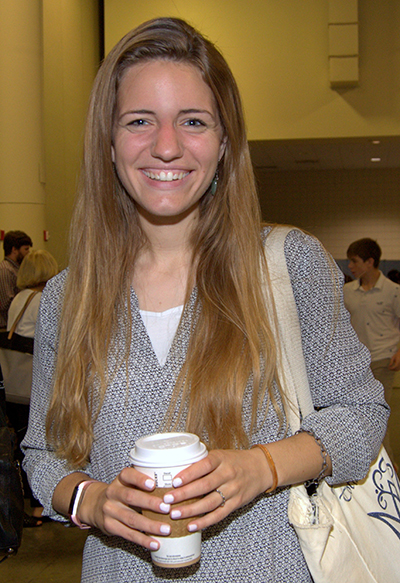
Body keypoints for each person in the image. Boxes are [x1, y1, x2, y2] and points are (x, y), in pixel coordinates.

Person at [22, 18, 388, 583]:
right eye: (139, 121)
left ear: (224, 142)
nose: (166, 146)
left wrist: (262, 467)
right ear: (109, 142)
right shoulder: (69, 296)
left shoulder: (288, 265)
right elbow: (44, 455)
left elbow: (362, 417)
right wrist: (88, 501)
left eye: (193, 121)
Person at [5, 250, 58, 527]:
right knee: (42, 440)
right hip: (32, 385)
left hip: (15, 383)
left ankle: (26, 498)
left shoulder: (19, 299)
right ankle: (40, 504)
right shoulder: (42, 300)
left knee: (21, 442)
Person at [344, 237, 400, 467]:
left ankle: (390, 470)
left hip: (384, 360)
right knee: (362, 417)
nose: (350, 266)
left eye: (354, 261)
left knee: (381, 416)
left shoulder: (393, 291)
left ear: (370, 262)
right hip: (358, 364)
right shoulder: (347, 291)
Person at [0, 230, 32, 329]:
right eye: (26, 249)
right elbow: (6, 303)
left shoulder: (17, 269)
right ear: (14, 250)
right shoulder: (5, 270)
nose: (28, 253)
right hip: (7, 326)